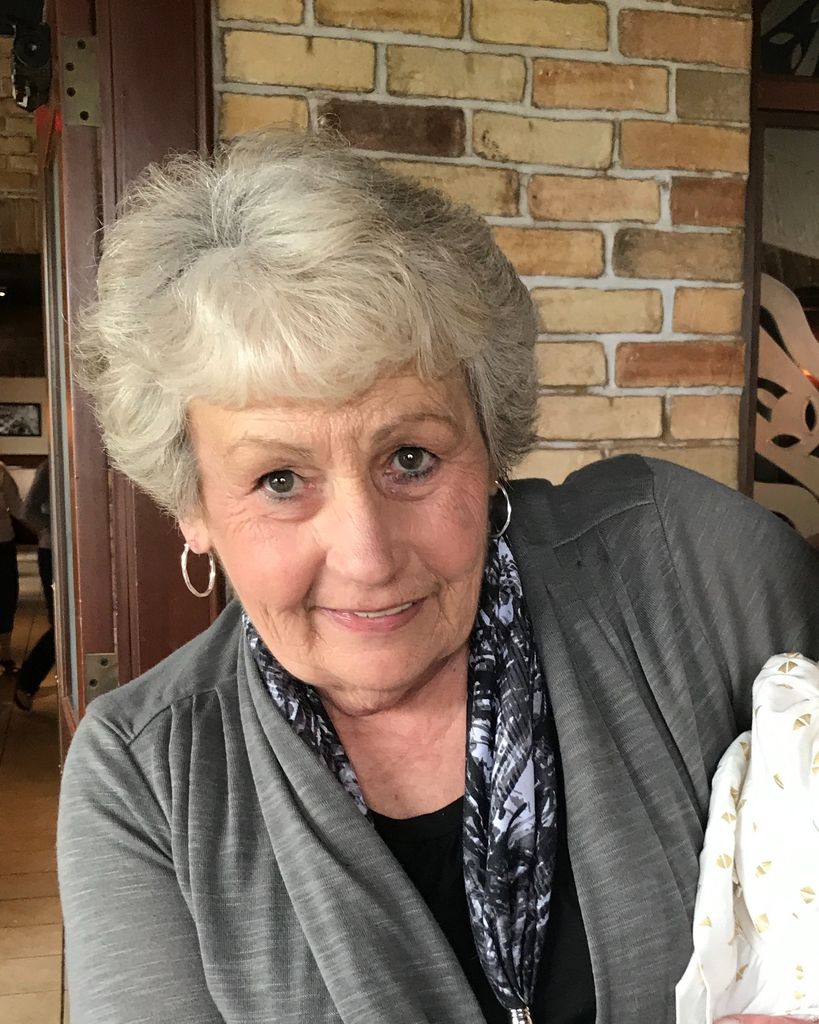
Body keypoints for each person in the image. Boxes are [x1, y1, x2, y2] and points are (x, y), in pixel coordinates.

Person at [57, 132, 819, 1024]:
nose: (367, 556)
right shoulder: (147, 777)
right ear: (193, 507)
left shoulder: (689, 567)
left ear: (489, 447)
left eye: (410, 458)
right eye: (279, 480)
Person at [14, 457, 54, 711]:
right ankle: (27, 681)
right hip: (53, 551)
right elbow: (28, 511)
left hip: (82, 552)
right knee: (62, 623)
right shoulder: (50, 467)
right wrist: (55, 527)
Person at [0, 459, 24, 673]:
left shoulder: (0, 470)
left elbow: (17, 507)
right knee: (6, 596)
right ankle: (4, 655)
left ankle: (5, 653)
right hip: (3, 542)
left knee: (7, 596)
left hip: (3, 541)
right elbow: (17, 507)